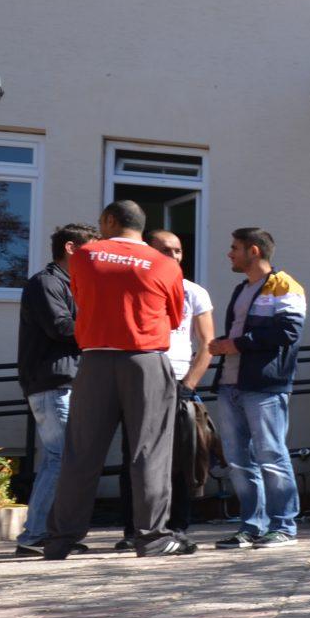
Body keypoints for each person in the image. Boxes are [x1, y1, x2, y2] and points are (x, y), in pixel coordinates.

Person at [40, 201, 186, 559]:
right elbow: (174, 316)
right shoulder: (166, 264)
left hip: (94, 360)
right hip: (145, 359)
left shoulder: (85, 256)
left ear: (108, 220)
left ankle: (61, 539)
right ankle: (152, 537)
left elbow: (82, 297)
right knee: (149, 450)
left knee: (81, 452)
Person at [207, 227, 306, 549]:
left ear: (253, 251)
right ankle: (251, 526)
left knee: (272, 456)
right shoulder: (242, 288)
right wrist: (226, 347)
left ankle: (284, 527)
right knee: (237, 460)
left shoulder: (285, 285)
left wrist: (234, 344)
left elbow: (289, 332)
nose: (229, 253)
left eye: (234, 247)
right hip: (231, 384)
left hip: (264, 386)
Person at [115, 228, 214, 546]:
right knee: (135, 455)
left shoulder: (194, 292)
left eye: (178, 251)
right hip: (141, 379)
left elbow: (208, 343)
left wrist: (189, 384)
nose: (173, 256)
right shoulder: (133, 286)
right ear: (148, 251)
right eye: (165, 250)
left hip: (178, 382)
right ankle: (134, 530)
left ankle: (178, 525)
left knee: (181, 457)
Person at [14, 223, 93, 555]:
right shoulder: (46, 283)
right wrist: (103, 324)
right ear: (72, 249)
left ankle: (52, 533)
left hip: (66, 382)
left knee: (63, 458)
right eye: (91, 251)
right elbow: (61, 328)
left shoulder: (72, 284)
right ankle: (34, 535)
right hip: (53, 384)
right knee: (60, 458)